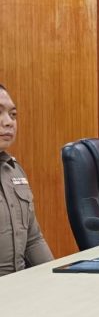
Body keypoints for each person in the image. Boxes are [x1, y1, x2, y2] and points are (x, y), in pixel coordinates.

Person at [0, 84, 53, 277]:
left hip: (20, 286)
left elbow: (33, 239)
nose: (9, 122)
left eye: (13, 115)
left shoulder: (14, 170)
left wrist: (55, 281)